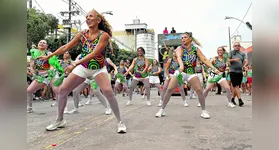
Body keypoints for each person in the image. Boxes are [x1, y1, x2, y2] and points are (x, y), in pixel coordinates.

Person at [39, 9, 126, 133]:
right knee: (63, 90)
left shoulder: (104, 35)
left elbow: (94, 53)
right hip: (83, 67)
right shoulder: (82, 34)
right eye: (86, 17)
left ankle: (120, 122)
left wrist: (74, 63)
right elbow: (66, 47)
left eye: (91, 16)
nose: (88, 18)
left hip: (98, 68)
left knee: (107, 91)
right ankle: (60, 120)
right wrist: (48, 56)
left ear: (98, 20)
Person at [155, 32, 220, 119]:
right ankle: (162, 110)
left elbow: (204, 59)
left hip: (191, 73)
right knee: (169, 89)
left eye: (185, 37)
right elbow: (179, 57)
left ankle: (204, 111)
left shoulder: (195, 49)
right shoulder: (180, 48)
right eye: (182, 38)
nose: (183, 39)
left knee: (200, 91)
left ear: (190, 39)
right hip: (181, 73)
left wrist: (214, 68)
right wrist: (181, 65)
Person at [27, 40, 60, 113]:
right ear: (37, 45)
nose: (42, 44)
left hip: (52, 74)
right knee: (29, 90)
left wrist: (50, 73)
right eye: (40, 43)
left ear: (46, 46)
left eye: (44, 43)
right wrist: (34, 75)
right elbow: (32, 67)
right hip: (41, 76)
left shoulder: (49, 53)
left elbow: (52, 66)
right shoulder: (34, 55)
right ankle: (30, 108)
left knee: (57, 90)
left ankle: (63, 107)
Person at [228, 42, 248, 106]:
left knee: (236, 87)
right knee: (236, 86)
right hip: (232, 71)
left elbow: (246, 60)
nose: (237, 47)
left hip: (240, 72)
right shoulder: (231, 52)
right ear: (233, 46)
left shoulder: (242, 54)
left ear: (240, 46)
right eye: (235, 46)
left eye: (238, 46)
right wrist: (234, 60)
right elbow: (227, 60)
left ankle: (232, 99)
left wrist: (244, 65)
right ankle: (240, 100)